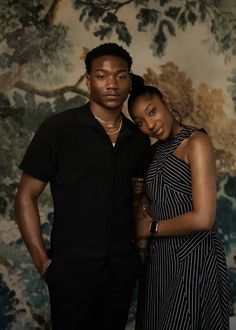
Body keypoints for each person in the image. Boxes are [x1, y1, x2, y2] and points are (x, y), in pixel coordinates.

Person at [14, 44, 151, 330]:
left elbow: (140, 200)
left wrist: (137, 256)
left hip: (121, 271)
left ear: (129, 81)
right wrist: (43, 263)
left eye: (120, 76)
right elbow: (26, 196)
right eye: (102, 76)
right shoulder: (58, 129)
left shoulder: (138, 139)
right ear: (89, 80)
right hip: (70, 272)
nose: (112, 84)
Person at [127, 75, 230, 329]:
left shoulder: (196, 142)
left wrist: (151, 229)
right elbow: (150, 205)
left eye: (153, 112)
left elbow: (203, 218)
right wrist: (138, 198)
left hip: (193, 256)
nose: (150, 124)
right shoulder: (153, 152)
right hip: (160, 260)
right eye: (140, 122)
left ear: (166, 102)